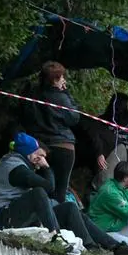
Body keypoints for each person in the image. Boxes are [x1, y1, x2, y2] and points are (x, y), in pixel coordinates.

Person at [0, 133, 128, 255]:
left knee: (70, 208)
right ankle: (56, 237)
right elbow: (49, 187)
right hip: (0, 217)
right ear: (28, 152)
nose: (40, 159)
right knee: (38, 193)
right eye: (39, 155)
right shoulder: (16, 168)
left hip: (14, 213)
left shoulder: (20, 164)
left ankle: (106, 248)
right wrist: (47, 167)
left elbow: (52, 193)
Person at [21, 61, 81, 203]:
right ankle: (56, 220)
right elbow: (74, 118)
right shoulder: (60, 97)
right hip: (63, 147)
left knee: (43, 185)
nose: (63, 80)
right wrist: (66, 92)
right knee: (60, 189)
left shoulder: (32, 95)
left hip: (40, 147)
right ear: (54, 80)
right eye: (61, 77)